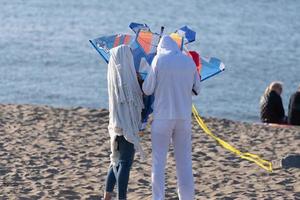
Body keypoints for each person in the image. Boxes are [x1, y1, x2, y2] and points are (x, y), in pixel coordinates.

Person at [142, 35, 201, 200]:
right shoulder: (188, 61)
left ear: (161, 47)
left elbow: (147, 89)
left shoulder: (159, 60)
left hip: (163, 117)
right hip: (183, 118)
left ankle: (158, 198)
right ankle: (187, 198)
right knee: (184, 162)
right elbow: (197, 89)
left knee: (159, 162)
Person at [104, 45, 144, 200]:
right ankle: (122, 197)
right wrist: (140, 81)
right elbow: (138, 98)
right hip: (127, 124)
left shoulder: (114, 76)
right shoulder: (129, 80)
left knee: (116, 159)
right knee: (125, 163)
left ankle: (107, 195)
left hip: (115, 123)